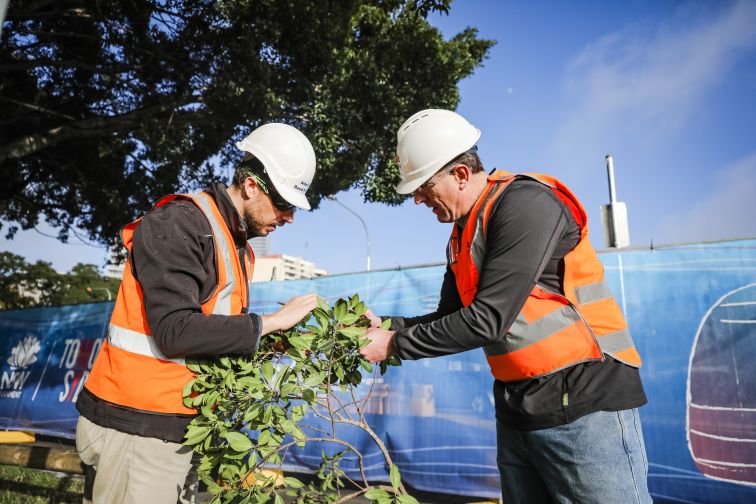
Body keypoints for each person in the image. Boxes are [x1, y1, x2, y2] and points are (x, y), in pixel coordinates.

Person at [361, 109, 652, 503]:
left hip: (585, 404)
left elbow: (489, 320)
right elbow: (450, 318)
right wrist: (388, 325)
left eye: (424, 185)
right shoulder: (462, 234)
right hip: (519, 410)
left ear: (461, 174)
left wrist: (392, 345)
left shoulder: (525, 204)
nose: (417, 198)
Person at [76, 123, 319, 504]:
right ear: (252, 186)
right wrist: (270, 322)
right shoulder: (180, 223)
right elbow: (175, 331)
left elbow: (210, 334)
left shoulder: (236, 244)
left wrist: (275, 342)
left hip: (176, 426)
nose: (289, 218)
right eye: (285, 204)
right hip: (135, 423)